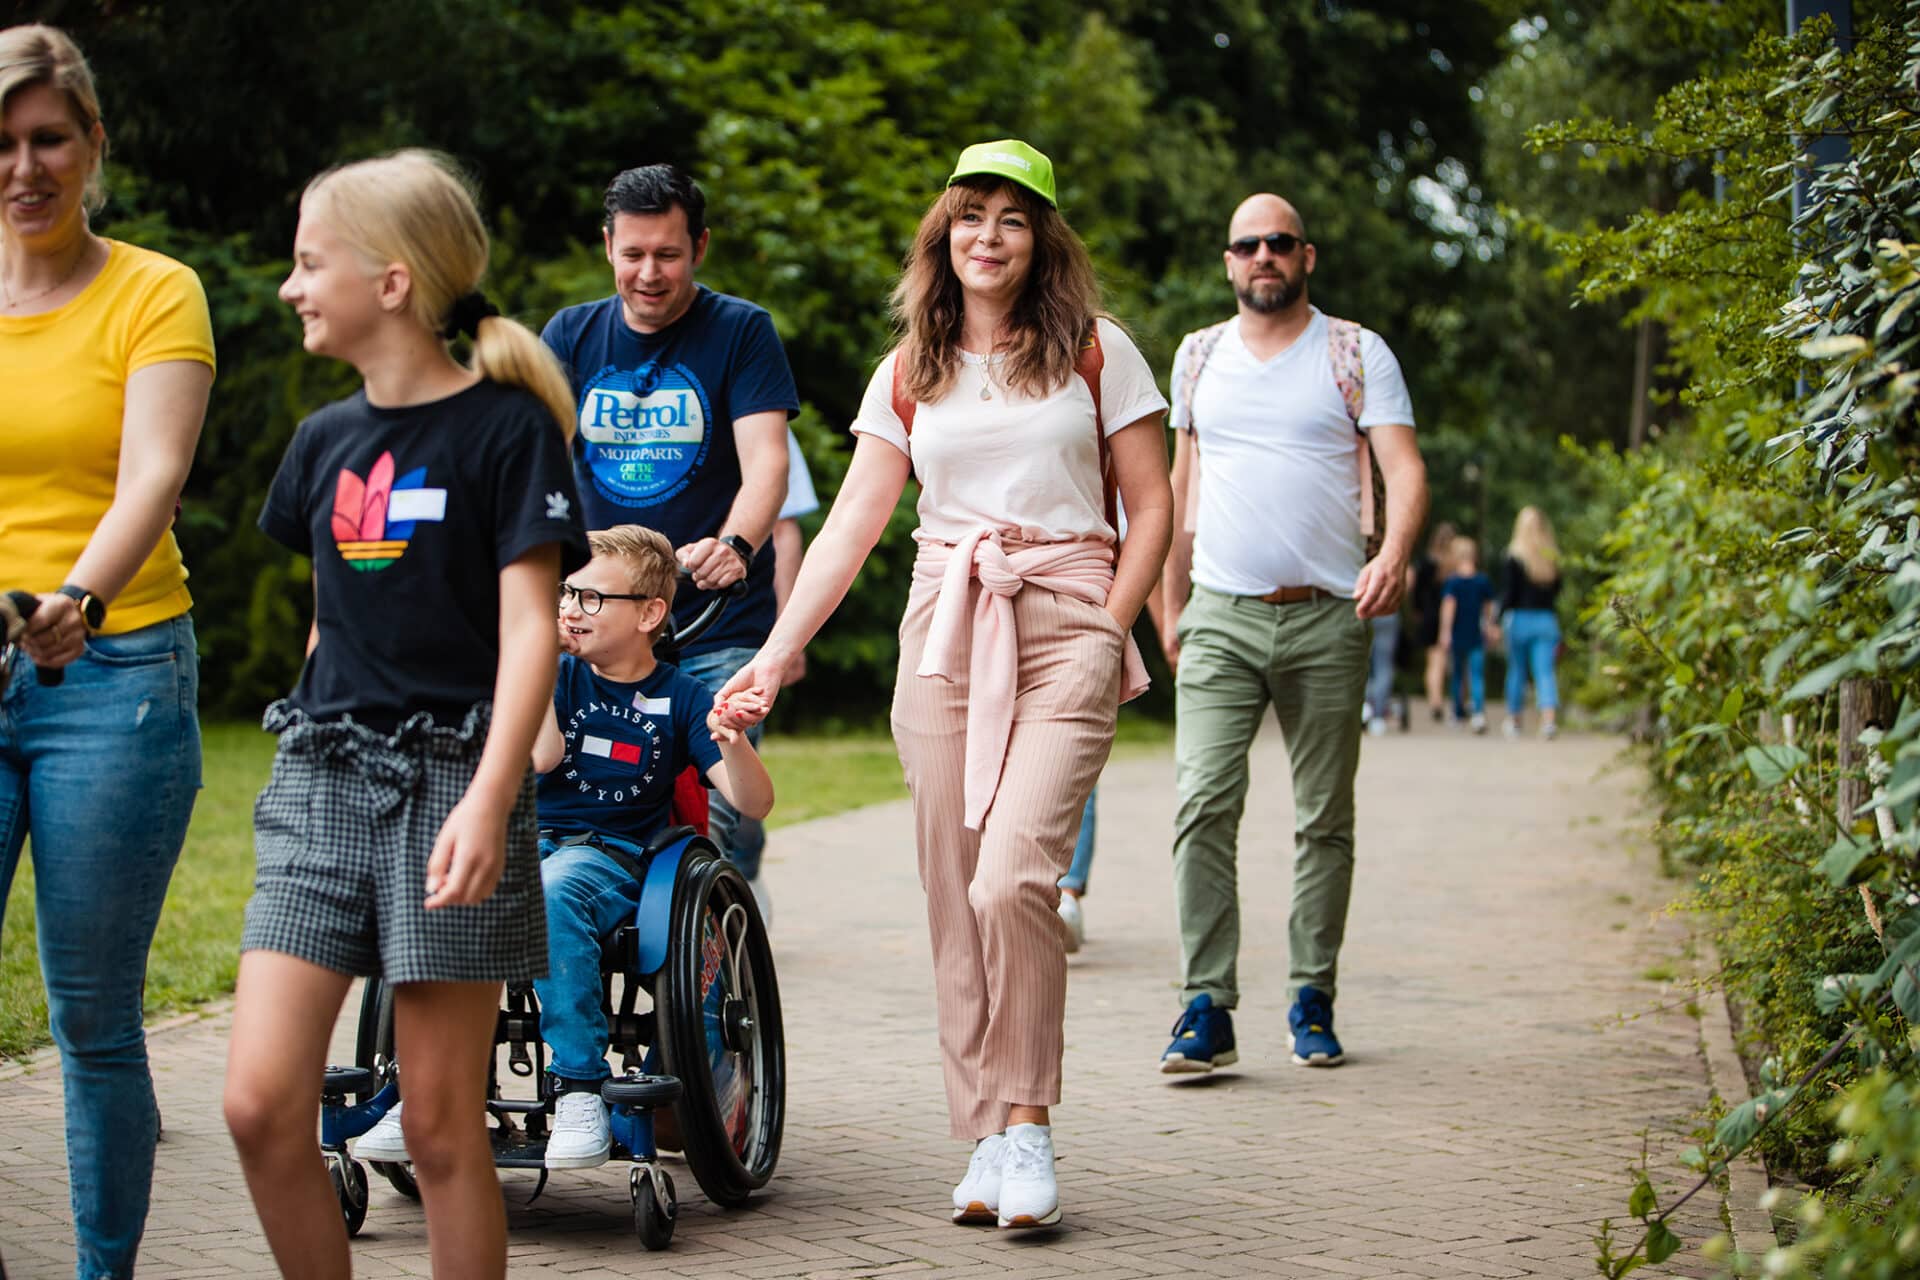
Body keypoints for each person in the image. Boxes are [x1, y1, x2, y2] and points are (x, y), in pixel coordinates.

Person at [718, 139, 1172, 1230]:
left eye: (1012, 218)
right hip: (945, 631)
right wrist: (777, 653)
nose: (988, 235)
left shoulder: (1099, 352)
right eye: (970, 216)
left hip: (1068, 617)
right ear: (942, 235)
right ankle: (982, 1133)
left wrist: (1114, 629)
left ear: (1042, 238)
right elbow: (853, 528)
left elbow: (1152, 506)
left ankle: (1028, 1125)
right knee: (952, 892)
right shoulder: (908, 371)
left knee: (1013, 877)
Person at [220, 149, 588, 1280]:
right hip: (321, 778)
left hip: (449, 784)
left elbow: (531, 629)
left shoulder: (505, 431)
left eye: (307, 261)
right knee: (256, 1102)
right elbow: (334, 621)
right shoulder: (325, 441)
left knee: (436, 1128)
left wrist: (491, 796)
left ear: (391, 281)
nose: (290, 287)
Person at [0, 24, 215, 1277]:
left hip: (115, 674)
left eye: (48, 140)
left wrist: (78, 593)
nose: (25, 168)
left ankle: (102, 1271)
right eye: (4, 143)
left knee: (89, 1017)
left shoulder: (153, 288)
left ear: (91, 147)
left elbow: (155, 473)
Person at [1159, 192, 1429, 1076]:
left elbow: (1404, 467)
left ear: (1306, 256)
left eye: (1280, 242)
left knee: (1325, 819)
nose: (1264, 255)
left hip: (1327, 615)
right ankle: (1206, 1006)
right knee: (1203, 803)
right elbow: (1178, 490)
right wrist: (1169, 607)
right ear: (1228, 262)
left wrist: (1392, 552)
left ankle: (1313, 994)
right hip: (1222, 617)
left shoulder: (1355, 352)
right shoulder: (1198, 357)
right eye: (1248, 244)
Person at [541, 164, 797, 907]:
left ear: (701, 248)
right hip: (601, 609)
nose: (649, 274)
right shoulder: (571, 335)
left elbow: (768, 465)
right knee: (589, 776)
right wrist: (568, 564)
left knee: (725, 802)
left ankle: (727, 894)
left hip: (716, 616)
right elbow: (537, 462)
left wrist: (736, 546)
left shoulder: (741, 332)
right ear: (609, 247)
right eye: (633, 254)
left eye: (668, 255)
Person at [1500, 506, 1563, 739]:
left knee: (1517, 670)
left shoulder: (1514, 556)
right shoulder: (1551, 556)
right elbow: (1557, 590)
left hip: (1520, 619)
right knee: (1545, 672)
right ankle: (1548, 721)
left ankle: (1514, 719)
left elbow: (1509, 594)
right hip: (1546, 619)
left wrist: (1498, 618)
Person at [1439, 535, 1497, 734]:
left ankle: (1457, 713)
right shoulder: (1482, 581)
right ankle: (1478, 713)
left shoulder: (1453, 582)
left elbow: (1448, 609)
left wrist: (1445, 633)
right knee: (1477, 674)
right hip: (1476, 632)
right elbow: (1489, 608)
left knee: (1457, 675)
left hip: (1458, 632)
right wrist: (1490, 625)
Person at [1411, 520, 1458, 723]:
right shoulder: (1456, 567)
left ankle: (1435, 701)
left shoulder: (1427, 563)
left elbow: (1417, 592)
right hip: (1456, 618)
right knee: (1455, 662)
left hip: (1430, 615)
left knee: (1434, 662)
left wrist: (1417, 611)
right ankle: (1457, 703)